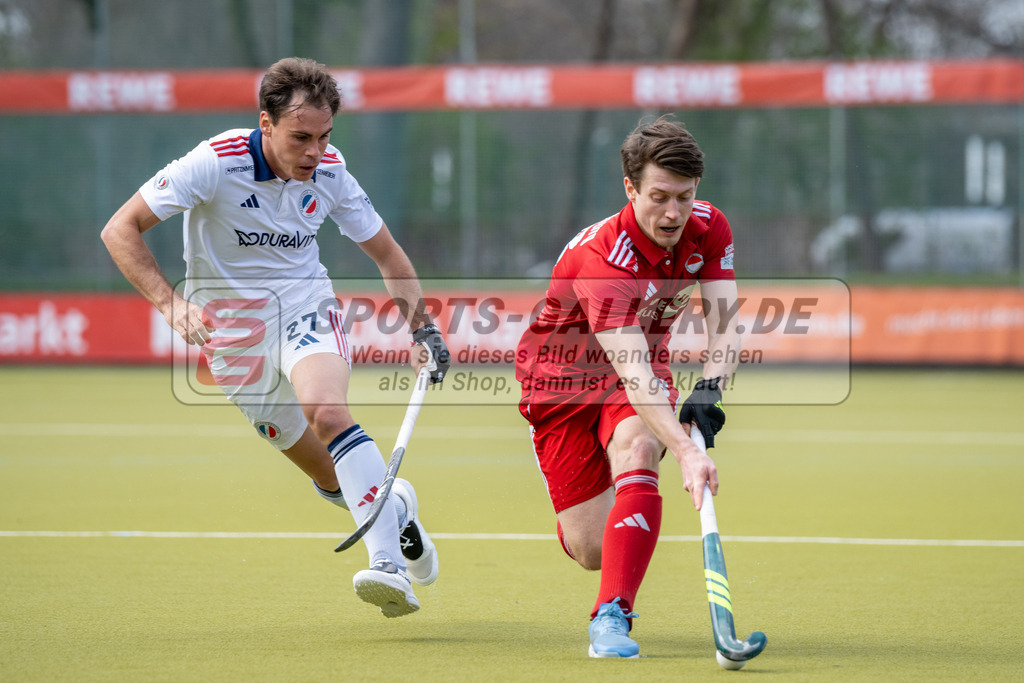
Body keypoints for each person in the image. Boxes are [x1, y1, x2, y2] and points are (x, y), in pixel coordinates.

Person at [101, 57, 451, 619]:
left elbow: (386, 252)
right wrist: (170, 303)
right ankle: (398, 508)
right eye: (301, 137)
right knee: (328, 475)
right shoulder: (213, 163)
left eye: (325, 136)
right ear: (264, 125)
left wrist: (423, 328)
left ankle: (387, 563)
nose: (315, 152)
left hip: (303, 306)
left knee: (329, 413)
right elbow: (119, 229)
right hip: (231, 337)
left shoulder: (332, 172)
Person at [515, 115, 740, 657]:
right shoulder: (604, 260)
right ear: (629, 188)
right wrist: (687, 450)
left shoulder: (710, 227)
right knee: (591, 548)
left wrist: (710, 389)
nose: (674, 213)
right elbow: (633, 373)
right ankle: (600, 533)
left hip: (639, 362)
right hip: (561, 382)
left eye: (685, 197)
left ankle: (611, 616)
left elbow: (726, 324)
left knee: (639, 446)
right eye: (659, 196)